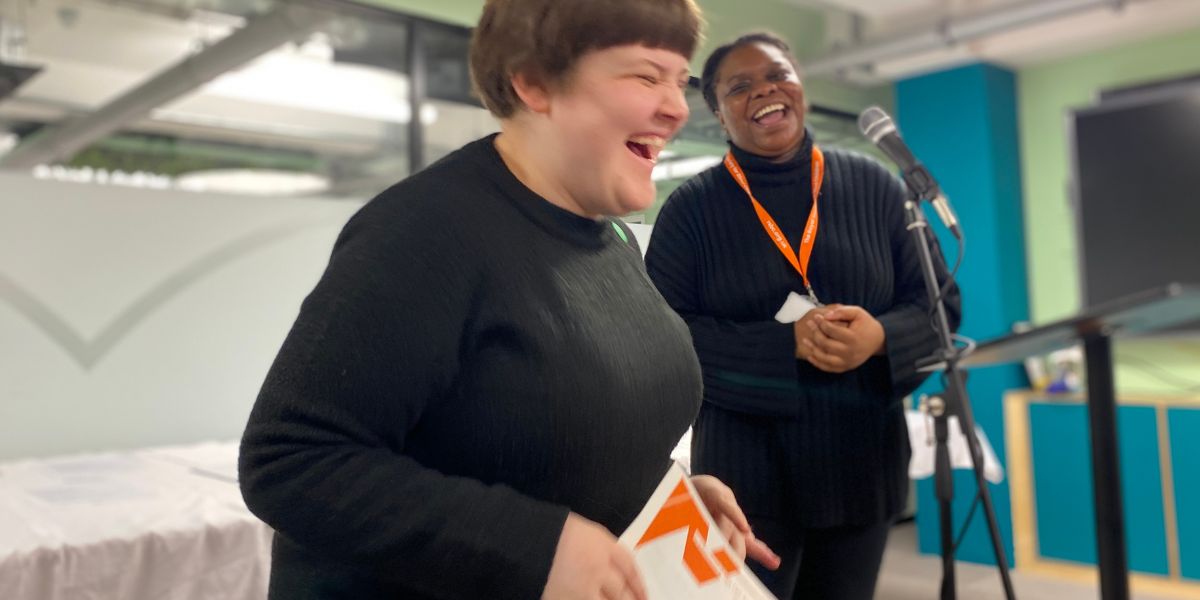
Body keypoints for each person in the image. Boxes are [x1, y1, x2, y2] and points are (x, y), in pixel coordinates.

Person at [238, 2, 780, 599]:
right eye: (646, 76)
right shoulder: (426, 230)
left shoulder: (614, 238)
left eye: (681, 81)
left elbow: (556, 430)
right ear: (534, 82)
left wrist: (665, 496)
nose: (678, 106)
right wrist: (532, 544)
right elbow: (289, 461)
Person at [644, 32, 961, 600]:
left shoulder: (878, 187)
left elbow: (942, 307)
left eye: (778, 75)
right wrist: (782, 347)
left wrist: (881, 336)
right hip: (745, 485)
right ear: (717, 112)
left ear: (800, 87)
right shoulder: (689, 212)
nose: (765, 91)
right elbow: (662, 341)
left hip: (861, 468)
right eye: (740, 87)